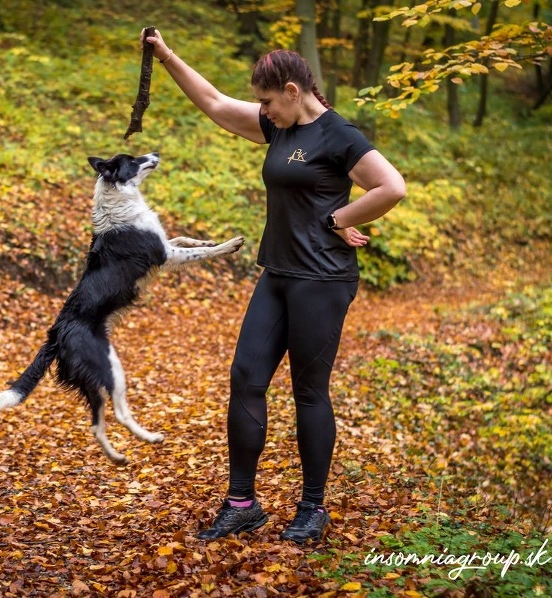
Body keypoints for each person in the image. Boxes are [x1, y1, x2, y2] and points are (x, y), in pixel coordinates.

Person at [140, 28, 406, 543]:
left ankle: (312, 508)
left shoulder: (338, 136)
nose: (263, 110)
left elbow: (391, 186)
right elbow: (215, 104)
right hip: (278, 274)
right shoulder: (278, 126)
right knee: (246, 379)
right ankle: (242, 503)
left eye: (268, 100)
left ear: (292, 90)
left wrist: (338, 218)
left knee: (309, 393)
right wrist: (167, 55)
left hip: (323, 281)